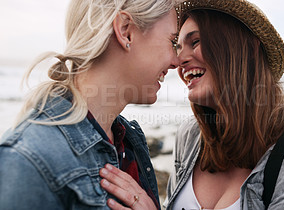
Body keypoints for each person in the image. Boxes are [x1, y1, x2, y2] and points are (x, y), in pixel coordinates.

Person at [100, 0, 284, 209]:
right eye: (178, 47)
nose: (179, 60)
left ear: (248, 48)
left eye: (196, 41)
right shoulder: (190, 136)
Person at [0, 0, 179, 209]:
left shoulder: (129, 140)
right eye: (172, 42)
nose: (176, 61)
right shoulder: (28, 160)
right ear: (125, 31)